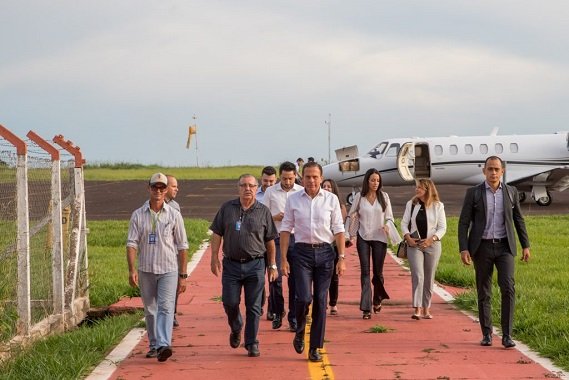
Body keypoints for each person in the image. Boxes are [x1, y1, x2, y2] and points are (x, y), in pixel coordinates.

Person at [458, 156, 530, 348]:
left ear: (502, 171)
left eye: (497, 169)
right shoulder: (474, 193)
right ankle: (487, 334)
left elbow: (518, 220)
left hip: (505, 247)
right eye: (490, 169)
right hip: (482, 248)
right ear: (484, 171)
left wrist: (525, 245)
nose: (493, 173)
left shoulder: (511, 192)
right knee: (484, 291)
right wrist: (463, 248)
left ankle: (507, 335)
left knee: (508, 288)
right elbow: (464, 222)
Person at [280, 161, 346, 363]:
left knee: (320, 300)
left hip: (326, 253)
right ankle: (299, 331)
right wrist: (283, 258)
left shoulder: (331, 199)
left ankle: (315, 347)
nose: (311, 180)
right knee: (304, 298)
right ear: (303, 177)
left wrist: (341, 258)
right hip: (301, 254)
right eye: (307, 176)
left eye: (315, 176)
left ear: (321, 177)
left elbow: (339, 229)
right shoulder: (293, 199)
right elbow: (285, 229)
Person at [210, 174, 278, 357]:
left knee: (254, 306)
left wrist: (272, 265)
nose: (247, 188)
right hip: (231, 265)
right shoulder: (227, 208)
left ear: (257, 188)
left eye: (251, 185)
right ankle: (236, 326)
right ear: (238, 187)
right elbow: (217, 233)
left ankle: (252, 342)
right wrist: (214, 257)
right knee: (229, 302)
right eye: (244, 185)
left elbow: (270, 240)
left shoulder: (263, 211)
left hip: (255, 265)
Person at [126, 173, 189, 362]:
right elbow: (131, 243)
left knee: (166, 307)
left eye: (162, 188)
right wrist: (132, 269)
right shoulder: (138, 214)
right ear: (149, 188)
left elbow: (182, 245)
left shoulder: (174, 214)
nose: (159, 191)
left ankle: (163, 344)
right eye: (155, 187)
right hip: (146, 269)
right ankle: (153, 344)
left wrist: (183, 274)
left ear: (166, 190)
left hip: (168, 269)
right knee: (150, 309)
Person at [262, 161, 303, 331]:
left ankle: (293, 316)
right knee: (275, 279)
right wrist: (275, 217)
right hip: (276, 239)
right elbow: (262, 218)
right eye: (284, 179)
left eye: (290, 178)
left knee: (295, 280)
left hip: (296, 239)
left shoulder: (301, 192)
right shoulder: (271, 192)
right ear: (280, 177)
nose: (287, 182)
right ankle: (278, 311)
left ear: (295, 176)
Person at [348, 169, 394, 319]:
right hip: (363, 237)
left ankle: (377, 298)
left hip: (380, 238)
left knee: (378, 273)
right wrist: (351, 228)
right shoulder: (359, 197)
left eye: (378, 181)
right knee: (365, 272)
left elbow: (390, 217)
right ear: (367, 181)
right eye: (373, 180)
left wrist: (387, 224)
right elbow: (351, 214)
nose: (375, 183)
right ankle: (366, 307)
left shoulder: (384, 197)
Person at [401, 178, 446, 320]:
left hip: (432, 245)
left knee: (429, 276)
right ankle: (417, 309)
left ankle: (427, 308)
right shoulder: (411, 204)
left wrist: (431, 239)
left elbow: (442, 228)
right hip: (415, 245)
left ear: (427, 190)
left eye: (420, 188)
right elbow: (403, 223)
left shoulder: (438, 206)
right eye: (417, 187)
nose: (417, 190)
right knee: (418, 276)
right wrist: (407, 237)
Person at [321, 178, 347, 316]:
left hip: (334, 243)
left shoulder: (339, 205)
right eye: (324, 186)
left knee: (334, 276)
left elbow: (339, 226)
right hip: (322, 243)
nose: (326, 188)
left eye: (329, 187)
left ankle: (333, 303)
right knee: (322, 275)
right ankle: (322, 301)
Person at [165, 174, 183, 327]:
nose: (177, 189)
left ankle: (172, 313)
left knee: (175, 285)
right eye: (174, 186)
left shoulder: (175, 206)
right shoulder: (151, 205)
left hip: (173, 252)